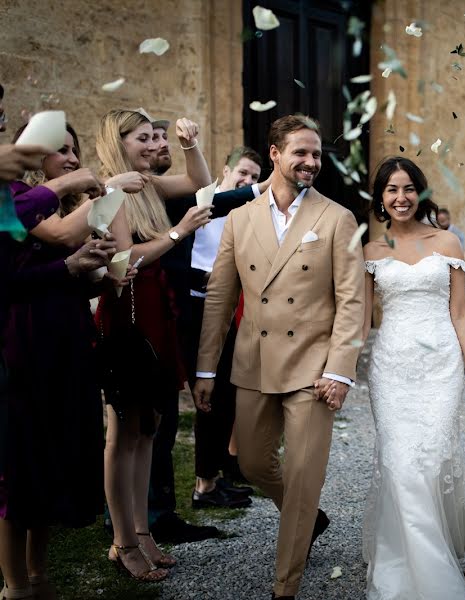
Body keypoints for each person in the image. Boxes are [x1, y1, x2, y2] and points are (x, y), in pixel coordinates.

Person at [193, 114, 364, 599]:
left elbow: (353, 302)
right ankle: (308, 516)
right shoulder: (240, 217)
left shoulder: (336, 217)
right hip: (254, 361)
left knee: (303, 475)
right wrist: (207, 367)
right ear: (275, 153)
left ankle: (284, 586)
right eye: (301, 153)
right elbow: (220, 297)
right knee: (250, 462)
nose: (311, 162)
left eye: (316, 154)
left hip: (314, 369)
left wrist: (340, 370)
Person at [362, 156, 465, 599]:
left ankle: (439, 543)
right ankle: (413, 560)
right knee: (401, 463)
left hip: (440, 364)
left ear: (420, 193)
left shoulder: (447, 243)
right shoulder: (371, 250)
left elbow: (460, 313)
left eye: (407, 189)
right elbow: (361, 318)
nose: (400, 198)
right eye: (391, 190)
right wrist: (337, 369)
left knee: (431, 458)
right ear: (381, 198)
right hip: (391, 367)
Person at [1, 123, 132, 600]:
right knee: (21, 468)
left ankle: (40, 575)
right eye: (62, 151)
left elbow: (67, 273)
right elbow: (49, 249)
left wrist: (99, 273)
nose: (73, 159)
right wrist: (111, 192)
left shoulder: (51, 204)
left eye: (75, 151)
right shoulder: (16, 198)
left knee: (51, 459)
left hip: (66, 340)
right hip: (27, 343)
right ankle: (15, 586)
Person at [98, 108, 213, 582]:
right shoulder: (111, 191)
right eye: (142, 139)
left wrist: (189, 143)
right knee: (121, 435)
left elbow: (200, 184)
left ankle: (144, 531)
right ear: (119, 142)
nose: (151, 146)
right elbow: (126, 258)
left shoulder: (147, 185)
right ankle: (122, 541)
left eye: (154, 137)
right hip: (128, 315)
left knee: (149, 428)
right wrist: (179, 231)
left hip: (155, 313)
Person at [161, 145, 266, 513]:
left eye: (255, 177)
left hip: (226, 310)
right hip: (193, 310)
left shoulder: (248, 216)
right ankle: (204, 484)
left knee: (227, 396)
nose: (248, 181)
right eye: (244, 174)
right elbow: (176, 259)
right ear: (225, 170)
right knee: (207, 396)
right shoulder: (204, 203)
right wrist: (205, 278)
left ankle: (213, 477)